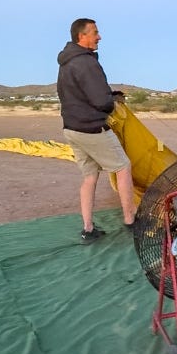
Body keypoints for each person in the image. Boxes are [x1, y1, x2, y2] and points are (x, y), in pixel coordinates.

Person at [56, 17, 136, 243]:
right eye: (95, 32)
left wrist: (108, 96)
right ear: (82, 36)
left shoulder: (66, 62)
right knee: (123, 167)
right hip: (91, 129)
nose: (99, 37)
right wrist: (111, 102)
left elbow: (82, 94)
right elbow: (100, 100)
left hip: (71, 128)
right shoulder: (86, 62)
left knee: (90, 176)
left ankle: (88, 228)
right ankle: (131, 220)